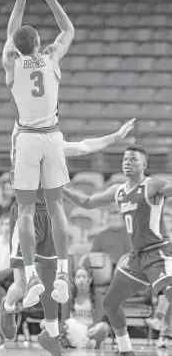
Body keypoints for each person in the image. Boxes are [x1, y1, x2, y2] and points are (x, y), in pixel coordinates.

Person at [0, 120, 135, 355]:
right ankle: (8, 307)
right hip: (26, 216)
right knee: (21, 286)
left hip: (51, 218)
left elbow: (85, 146)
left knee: (52, 283)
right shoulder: (22, 142)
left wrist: (116, 136)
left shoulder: (55, 146)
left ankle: (50, 335)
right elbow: (20, 119)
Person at [2, 0, 76, 308]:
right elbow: (68, 30)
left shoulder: (11, 62)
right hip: (52, 137)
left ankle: (31, 275)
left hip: (28, 139)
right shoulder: (51, 58)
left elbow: (10, 32)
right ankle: (62, 271)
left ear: (17, 47)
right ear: (38, 42)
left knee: (27, 211)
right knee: (57, 205)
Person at [63, 144, 172, 356]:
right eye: (125, 159)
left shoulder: (153, 185)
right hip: (136, 257)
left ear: (144, 164)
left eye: (132, 159)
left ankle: (165, 332)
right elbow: (87, 202)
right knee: (110, 303)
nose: (127, 163)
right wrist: (61, 190)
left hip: (157, 253)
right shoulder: (118, 191)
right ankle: (125, 350)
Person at [61, 266, 111, 349]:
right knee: (48, 325)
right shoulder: (67, 297)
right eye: (78, 277)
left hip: (89, 332)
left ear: (90, 279)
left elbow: (98, 320)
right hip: (72, 331)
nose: (81, 279)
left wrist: (84, 331)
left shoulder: (99, 298)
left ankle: (83, 343)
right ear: (74, 280)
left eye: (84, 277)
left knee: (104, 327)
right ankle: (87, 344)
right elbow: (64, 320)